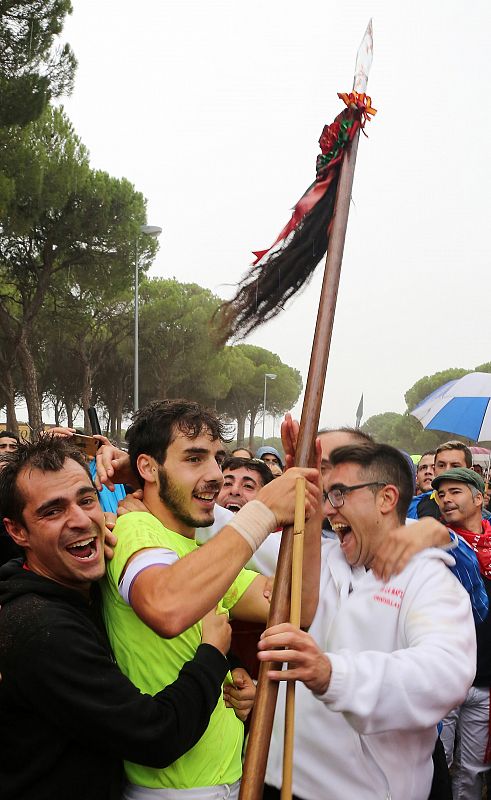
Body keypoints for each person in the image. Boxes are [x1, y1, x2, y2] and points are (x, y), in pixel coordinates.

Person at [97, 399, 321, 799]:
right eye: (195, 459)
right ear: (148, 467)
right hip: (174, 790)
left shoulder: (197, 550)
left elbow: (296, 607)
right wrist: (264, 509)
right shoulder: (134, 529)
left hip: (225, 779)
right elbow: (166, 607)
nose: (216, 475)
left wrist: (310, 500)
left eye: (218, 459)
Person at [0, 436, 233, 800]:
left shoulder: (65, 587)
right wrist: (212, 657)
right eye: (53, 511)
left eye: (86, 499)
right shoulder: (42, 629)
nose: (80, 520)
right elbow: (156, 735)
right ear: (17, 531)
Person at [261, 441, 476, 800]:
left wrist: (333, 675)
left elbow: (446, 671)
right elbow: (227, 531)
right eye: (327, 495)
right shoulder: (311, 559)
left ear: (386, 499)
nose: (330, 508)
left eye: (341, 494)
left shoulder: (428, 578)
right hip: (278, 783)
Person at [433, 467, 491, 799]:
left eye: (455, 491)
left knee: (472, 772)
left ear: (479, 497)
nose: (445, 499)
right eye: (441, 494)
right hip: (445, 677)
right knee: (438, 760)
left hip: (485, 681)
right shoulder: (435, 543)